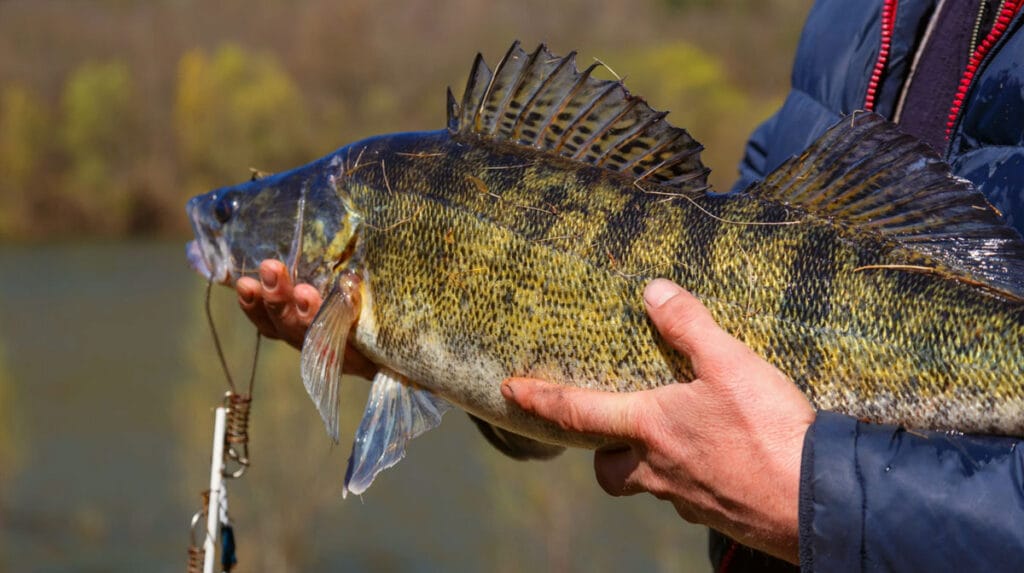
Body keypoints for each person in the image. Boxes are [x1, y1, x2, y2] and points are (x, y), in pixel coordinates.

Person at [236, 1, 1024, 569]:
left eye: (242, 214)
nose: (229, 227)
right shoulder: (850, 17)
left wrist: (816, 497)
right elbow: (694, 287)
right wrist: (426, 356)